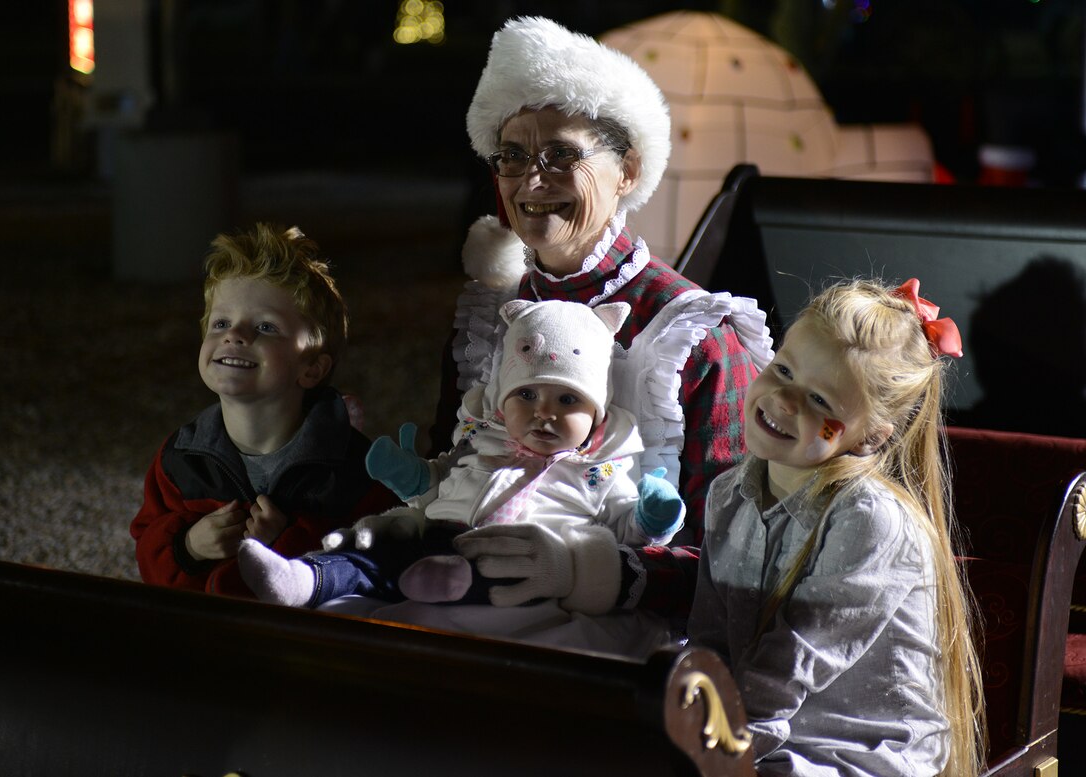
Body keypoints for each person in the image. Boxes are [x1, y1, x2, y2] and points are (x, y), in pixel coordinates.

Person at [432, 16, 774, 551]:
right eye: (513, 156)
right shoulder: (489, 313)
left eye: (563, 154)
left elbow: (730, 547)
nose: (531, 181)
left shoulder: (690, 333)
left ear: (628, 172)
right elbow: (447, 473)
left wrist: (602, 582)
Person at [686, 278, 986, 776]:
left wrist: (712, 750)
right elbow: (710, 640)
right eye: (783, 369)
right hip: (763, 736)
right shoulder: (729, 495)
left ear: (872, 436)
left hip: (860, 755)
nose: (784, 401)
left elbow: (791, 665)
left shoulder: (869, 520)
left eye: (821, 401)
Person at [237, 298, 686, 612]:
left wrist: (653, 515)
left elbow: (625, 527)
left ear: (597, 414)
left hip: (522, 561)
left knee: (486, 573)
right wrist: (415, 478)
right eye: (526, 394)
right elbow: (445, 485)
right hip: (440, 534)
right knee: (371, 555)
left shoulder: (599, 469)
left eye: (568, 401)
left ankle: (447, 579)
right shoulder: (483, 442)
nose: (543, 413)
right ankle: (305, 579)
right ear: (501, 401)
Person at [130, 223, 394, 597]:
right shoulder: (180, 459)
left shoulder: (356, 469)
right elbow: (147, 554)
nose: (234, 335)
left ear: (312, 368)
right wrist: (188, 547)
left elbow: (380, 566)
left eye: (266, 327)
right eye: (221, 322)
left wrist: (287, 545)